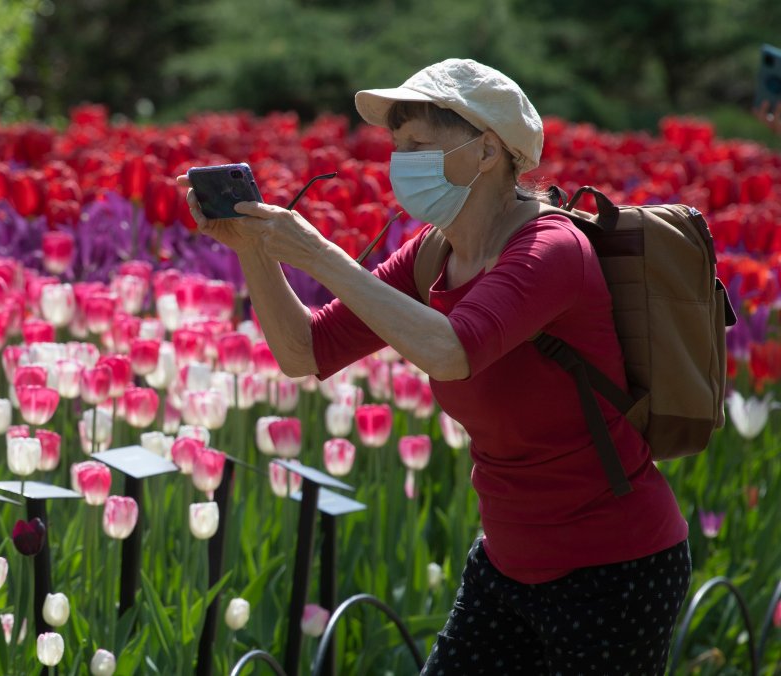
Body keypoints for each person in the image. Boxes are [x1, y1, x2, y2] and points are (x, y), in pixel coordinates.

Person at [177, 58, 691, 675]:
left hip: (614, 571)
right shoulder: (433, 253)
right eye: (398, 145)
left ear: (488, 152)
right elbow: (304, 353)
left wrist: (322, 256)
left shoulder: (550, 248)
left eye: (420, 143)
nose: (402, 160)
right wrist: (257, 252)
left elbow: (453, 352)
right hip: (506, 563)